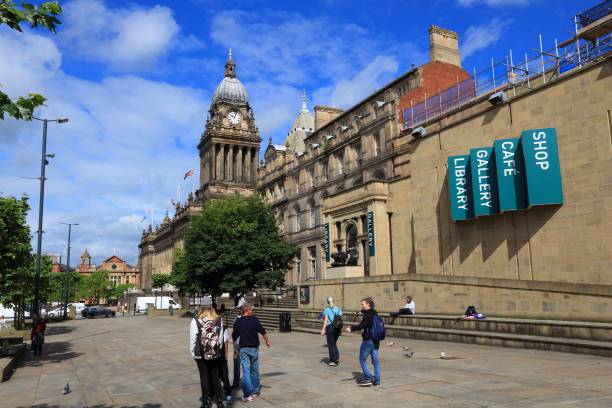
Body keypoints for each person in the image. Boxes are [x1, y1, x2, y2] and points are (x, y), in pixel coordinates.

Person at [190, 297, 225, 408]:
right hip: (215, 353)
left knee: (204, 378)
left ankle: (205, 402)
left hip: (200, 353)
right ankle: (219, 401)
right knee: (215, 376)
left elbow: (193, 339)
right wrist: (216, 350)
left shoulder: (196, 320)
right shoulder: (218, 319)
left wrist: (192, 353)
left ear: (201, 307)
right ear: (211, 306)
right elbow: (220, 338)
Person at [232, 305, 271, 402]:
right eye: (252, 310)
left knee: (246, 370)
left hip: (244, 348)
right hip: (254, 348)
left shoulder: (238, 321)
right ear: (247, 311)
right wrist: (267, 341)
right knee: (255, 370)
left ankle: (247, 395)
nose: (252, 311)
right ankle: (255, 391)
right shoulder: (255, 320)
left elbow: (234, 335)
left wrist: (235, 345)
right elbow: (263, 331)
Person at [345, 297, 380, 387]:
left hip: (368, 340)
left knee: (362, 359)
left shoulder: (368, 315)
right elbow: (364, 311)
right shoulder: (374, 313)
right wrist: (359, 312)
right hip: (376, 340)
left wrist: (351, 328)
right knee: (375, 361)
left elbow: (362, 325)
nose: (361, 306)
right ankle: (377, 380)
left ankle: (367, 379)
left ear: (368, 304)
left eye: (362, 304)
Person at [320, 297, 342, 366]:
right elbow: (340, 319)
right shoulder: (338, 309)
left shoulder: (327, 309)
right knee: (333, 343)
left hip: (330, 328)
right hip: (338, 328)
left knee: (331, 344)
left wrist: (323, 329)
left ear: (327, 302)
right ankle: (336, 358)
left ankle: (334, 360)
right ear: (333, 301)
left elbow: (326, 320)